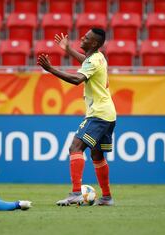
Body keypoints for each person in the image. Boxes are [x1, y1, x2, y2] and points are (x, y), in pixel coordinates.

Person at [37, 28, 116, 206]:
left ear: (94, 43)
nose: (82, 37)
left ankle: (75, 193)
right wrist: (68, 49)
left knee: (75, 147)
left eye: (86, 37)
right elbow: (86, 62)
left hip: (99, 113)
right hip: (108, 114)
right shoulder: (99, 57)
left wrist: (50, 69)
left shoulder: (94, 60)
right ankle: (107, 197)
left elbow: (76, 80)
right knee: (97, 155)